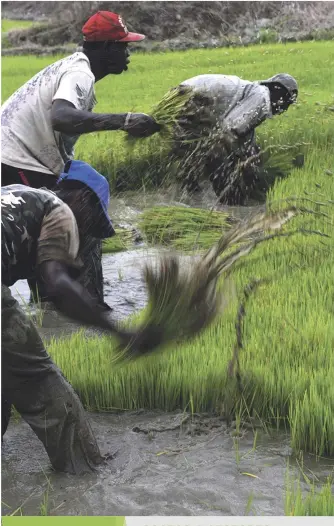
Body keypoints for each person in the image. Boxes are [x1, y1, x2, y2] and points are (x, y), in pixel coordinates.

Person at [1, 159, 160, 474]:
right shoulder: (58, 210)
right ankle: (84, 472)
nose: (86, 232)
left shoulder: (15, 194)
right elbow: (57, 285)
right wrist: (121, 331)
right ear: (82, 200)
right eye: (92, 222)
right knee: (36, 375)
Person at [1, 10, 160, 308]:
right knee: (66, 218)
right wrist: (124, 120)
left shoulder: (72, 67)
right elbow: (62, 117)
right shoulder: (80, 72)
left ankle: (55, 302)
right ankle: (73, 305)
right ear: (103, 49)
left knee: (61, 215)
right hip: (15, 162)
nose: (127, 53)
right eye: (121, 46)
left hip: (15, 159)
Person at [171, 73, 298, 204]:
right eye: (287, 102)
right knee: (216, 150)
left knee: (193, 152)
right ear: (279, 92)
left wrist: (248, 158)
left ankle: (187, 198)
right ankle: (229, 202)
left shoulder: (254, 94)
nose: (285, 108)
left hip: (183, 94)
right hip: (192, 98)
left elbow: (245, 138)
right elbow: (229, 129)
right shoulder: (261, 97)